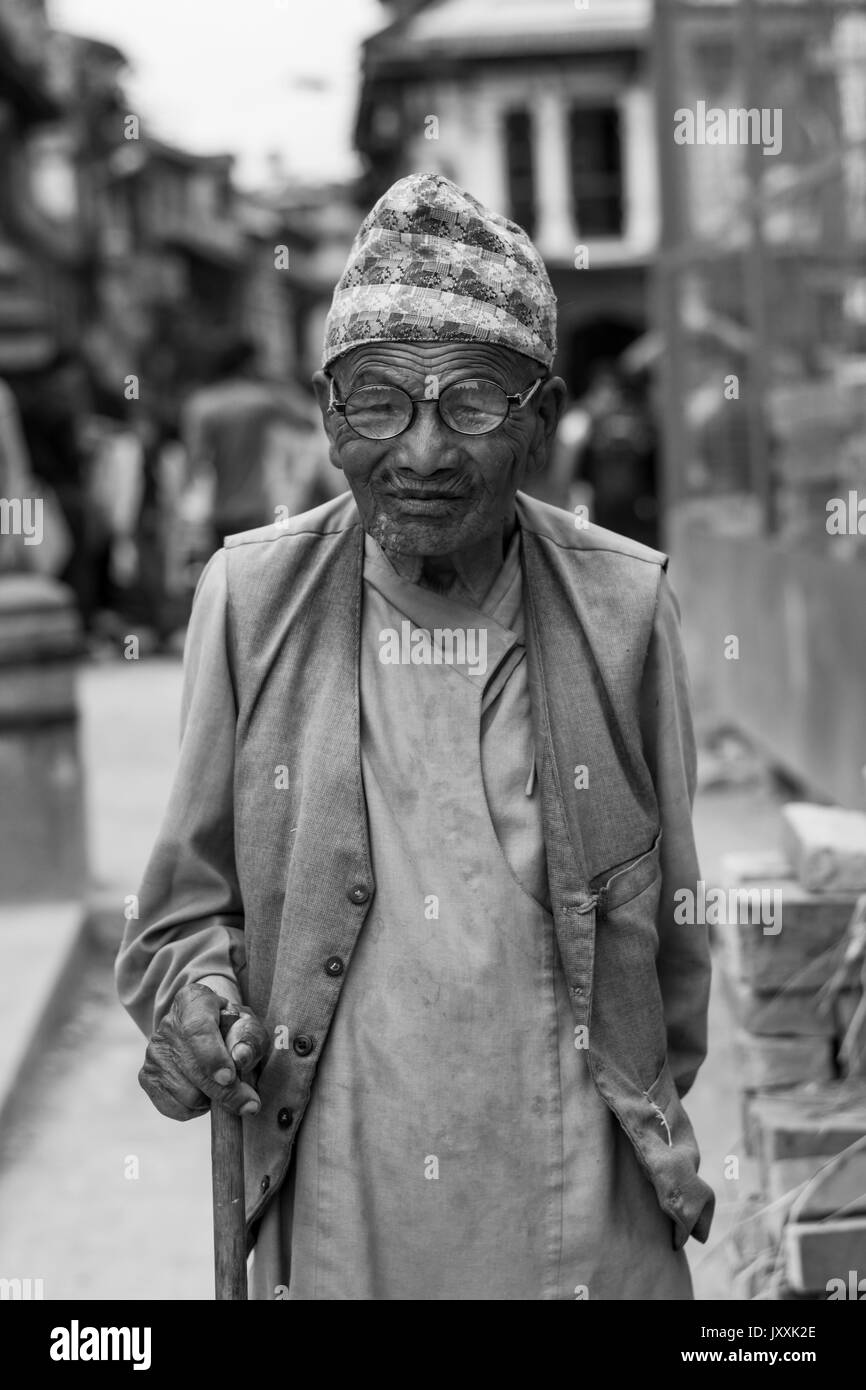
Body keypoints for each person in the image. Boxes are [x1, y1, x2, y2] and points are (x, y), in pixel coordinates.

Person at [117, 174, 714, 1301]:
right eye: (377, 400)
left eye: (473, 404)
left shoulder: (624, 603)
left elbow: (675, 950)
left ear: (538, 420)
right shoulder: (250, 597)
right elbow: (177, 919)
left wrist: (629, 1111)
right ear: (328, 415)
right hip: (349, 1205)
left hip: (581, 1213)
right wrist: (197, 997)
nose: (424, 452)